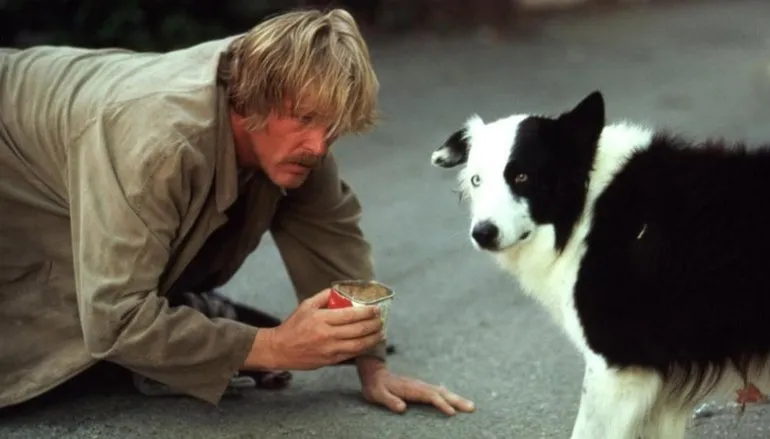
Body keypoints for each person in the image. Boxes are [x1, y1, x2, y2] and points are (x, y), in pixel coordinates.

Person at [0, 7, 475, 416]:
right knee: (62, 331)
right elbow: (114, 318)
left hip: (81, 126)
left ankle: (186, 318)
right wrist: (271, 348)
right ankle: (187, 319)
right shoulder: (159, 145)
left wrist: (371, 367)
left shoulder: (292, 109)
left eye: (332, 127)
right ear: (252, 99)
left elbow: (331, 234)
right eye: (306, 119)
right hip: (15, 138)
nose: (318, 145)